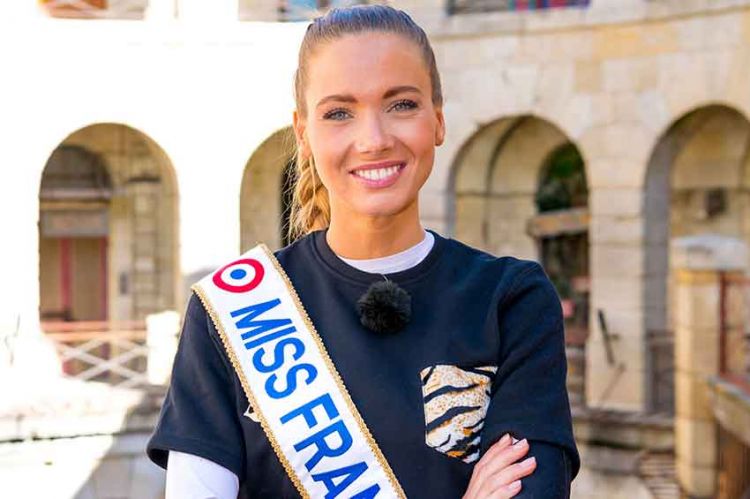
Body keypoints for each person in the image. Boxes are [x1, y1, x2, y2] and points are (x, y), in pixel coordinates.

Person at [147, 5, 579, 498]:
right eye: (338, 113)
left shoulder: (511, 300)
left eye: (401, 105)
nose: (373, 139)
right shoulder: (225, 311)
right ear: (304, 133)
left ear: (438, 119)